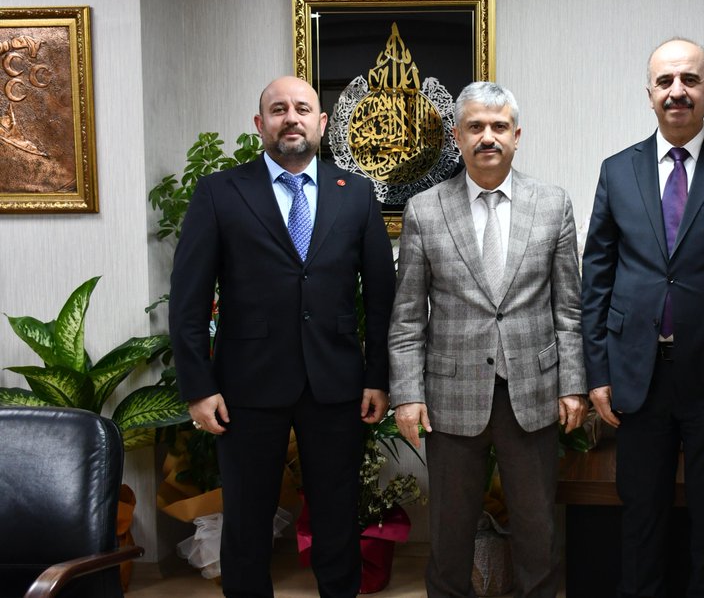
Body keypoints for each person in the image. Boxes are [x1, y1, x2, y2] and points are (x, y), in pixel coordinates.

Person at [169, 75, 396, 597]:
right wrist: (198, 387)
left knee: (338, 517)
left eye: (302, 108)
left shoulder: (356, 193)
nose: (290, 117)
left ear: (322, 123)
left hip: (336, 385)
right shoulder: (220, 192)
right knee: (246, 521)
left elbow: (383, 297)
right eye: (277, 109)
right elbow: (188, 298)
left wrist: (377, 377)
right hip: (245, 388)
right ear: (260, 125)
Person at [581, 37, 704, 598]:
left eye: (689, 80)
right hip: (636, 374)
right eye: (665, 82)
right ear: (649, 95)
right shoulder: (618, 171)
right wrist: (598, 371)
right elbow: (596, 275)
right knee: (641, 519)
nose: (677, 92)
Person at [388, 81, 586, 598]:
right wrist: (407, 395)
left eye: (499, 127)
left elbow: (569, 310)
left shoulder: (552, 204)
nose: (488, 137)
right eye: (475, 127)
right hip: (452, 396)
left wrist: (574, 385)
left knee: (538, 531)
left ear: (517, 136)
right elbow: (407, 318)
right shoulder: (425, 211)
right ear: (458, 137)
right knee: (450, 537)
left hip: (533, 392)